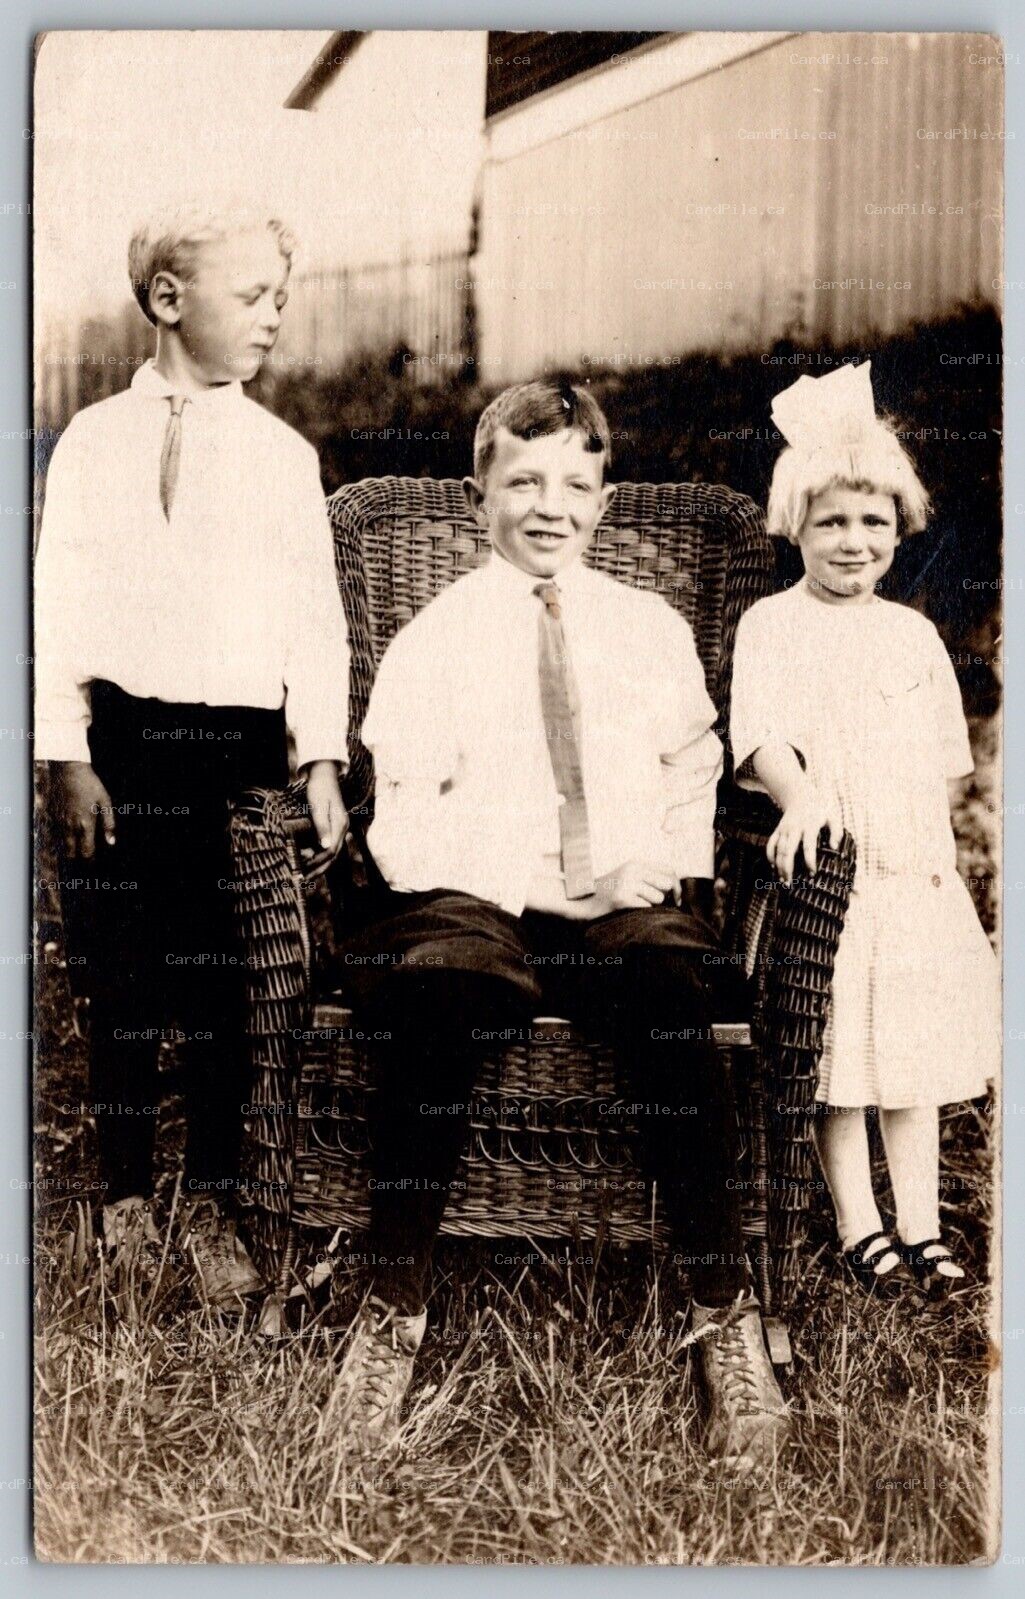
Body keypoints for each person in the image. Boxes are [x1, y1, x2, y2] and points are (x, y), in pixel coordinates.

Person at [331, 380, 789, 1469]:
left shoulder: (647, 629)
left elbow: (692, 769)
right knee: (445, 985)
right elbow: (401, 824)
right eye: (523, 481)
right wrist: (545, 885)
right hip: (471, 894)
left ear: (604, 500)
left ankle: (720, 1310)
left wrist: (659, 872)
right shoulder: (434, 638)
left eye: (574, 486)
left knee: (672, 989)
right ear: (474, 492)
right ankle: (392, 1303)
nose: (549, 507)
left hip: (617, 897)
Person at [35, 204, 350, 1305]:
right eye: (251, 295)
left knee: (223, 979)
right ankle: (124, 1189)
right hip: (123, 744)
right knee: (118, 969)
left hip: (235, 753)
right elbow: (57, 603)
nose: (273, 318)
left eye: (279, 296)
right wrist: (63, 750)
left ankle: (213, 1192)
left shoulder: (280, 457)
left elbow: (314, 622)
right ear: (168, 300)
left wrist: (317, 761)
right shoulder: (92, 442)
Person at [730, 360, 999, 1301]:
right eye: (831, 520)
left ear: (900, 528)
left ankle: (921, 1223)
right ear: (793, 524)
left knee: (910, 1056)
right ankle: (859, 1223)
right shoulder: (772, 625)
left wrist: (943, 869)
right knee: (841, 1056)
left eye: (872, 521)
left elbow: (938, 765)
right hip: (832, 877)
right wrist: (799, 795)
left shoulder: (911, 636)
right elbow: (759, 733)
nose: (853, 541)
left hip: (910, 875)